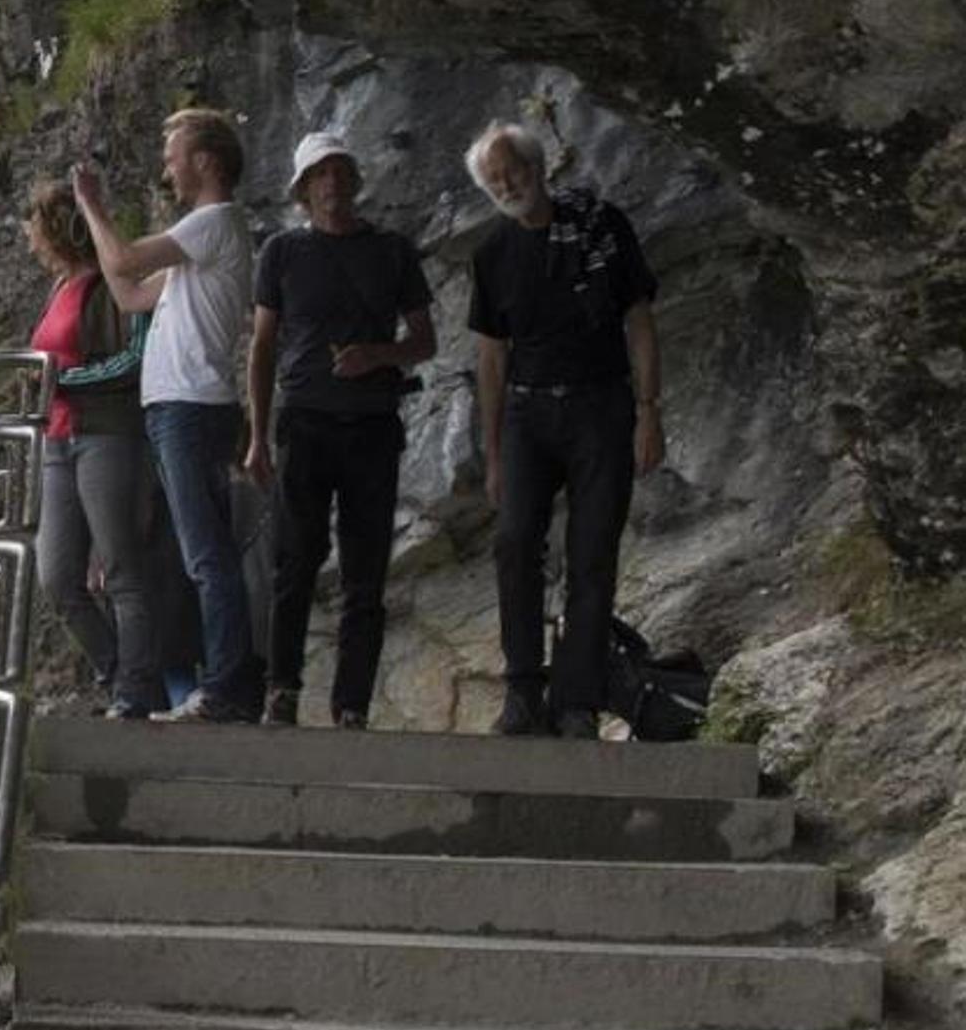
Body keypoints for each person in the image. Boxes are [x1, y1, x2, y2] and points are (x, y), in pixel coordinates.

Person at [466, 121, 662, 738]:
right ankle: (524, 690)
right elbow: (491, 357)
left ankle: (576, 699)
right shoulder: (491, 253)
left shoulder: (602, 228)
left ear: (538, 167)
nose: (507, 185)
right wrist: (494, 452)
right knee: (515, 542)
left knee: (592, 553)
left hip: (601, 408)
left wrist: (650, 412)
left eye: (514, 171)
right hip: (527, 413)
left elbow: (639, 322)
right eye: (495, 180)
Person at [73, 107, 262, 722]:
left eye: (174, 156)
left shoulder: (214, 221)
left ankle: (229, 688)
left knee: (207, 557)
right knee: (191, 557)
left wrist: (92, 209)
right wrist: (101, 228)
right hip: (177, 410)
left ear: (206, 162)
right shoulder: (198, 245)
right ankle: (214, 682)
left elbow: (124, 263)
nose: (166, 169)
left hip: (191, 408)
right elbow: (129, 295)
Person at [243, 131, 436, 728]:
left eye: (339, 172)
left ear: (355, 180)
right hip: (304, 422)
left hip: (372, 425)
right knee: (294, 561)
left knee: (365, 568)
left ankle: (351, 703)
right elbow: (263, 345)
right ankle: (282, 690)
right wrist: (256, 433)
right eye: (318, 175)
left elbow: (424, 341)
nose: (330, 184)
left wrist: (375, 356)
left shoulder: (393, 251)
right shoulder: (282, 253)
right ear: (303, 190)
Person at [22, 180, 179, 718]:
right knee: (58, 576)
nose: (30, 239)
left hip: (106, 433)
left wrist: (63, 385)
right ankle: (121, 674)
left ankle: (135, 690)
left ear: (57, 231)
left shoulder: (111, 284)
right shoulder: (59, 288)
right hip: (58, 439)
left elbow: (129, 361)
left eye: (35, 228)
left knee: (119, 566)